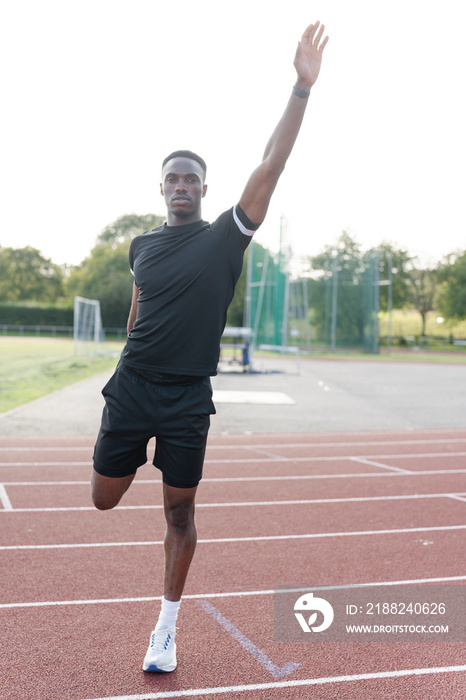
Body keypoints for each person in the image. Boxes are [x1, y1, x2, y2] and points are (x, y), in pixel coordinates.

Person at [91, 20, 328, 673]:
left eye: (191, 177)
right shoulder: (141, 246)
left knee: (180, 512)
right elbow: (141, 303)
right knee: (103, 499)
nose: (181, 184)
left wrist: (300, 89)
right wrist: (125, 365)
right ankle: (133, 448)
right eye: (172, 177)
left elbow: (271, 163)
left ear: (203, 186)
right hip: (132, 388)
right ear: (160, 187)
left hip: (188, 398)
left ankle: (165, 629)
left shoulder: (226, 236)